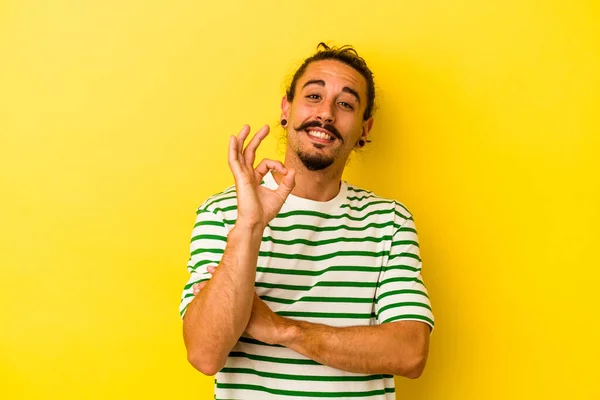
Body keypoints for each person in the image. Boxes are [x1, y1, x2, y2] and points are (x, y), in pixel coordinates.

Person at [180, 43, 434, 399]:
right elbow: (205, 353)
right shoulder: (224, 213)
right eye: (313, 96)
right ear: (287, 109)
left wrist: (281, 329)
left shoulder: (388, 221)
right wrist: (250, 225)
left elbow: (410, 352)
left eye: (345, 103)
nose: (326, 113)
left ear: (364, 128)